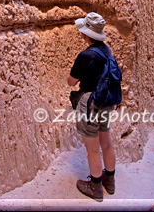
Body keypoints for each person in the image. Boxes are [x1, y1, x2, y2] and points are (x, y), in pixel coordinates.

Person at [67, 12, 116, 202]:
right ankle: (109, 182)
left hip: (90, 104)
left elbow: (71, 82)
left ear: (86, 34)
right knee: (107, 142)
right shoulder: (107, 51)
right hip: (107, 102)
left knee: (93, 149)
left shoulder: (85, 55)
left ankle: (95, 187)